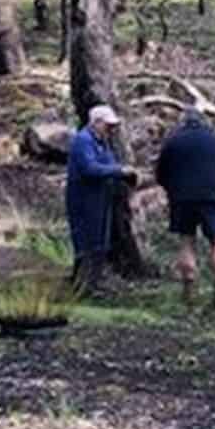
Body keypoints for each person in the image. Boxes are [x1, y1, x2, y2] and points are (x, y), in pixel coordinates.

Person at [154, 108, 215, 308]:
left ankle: (189, 291)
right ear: (204, 121)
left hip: (181, 199)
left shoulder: (173, 142)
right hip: (211, 198)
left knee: (186, 241)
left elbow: (160, 173)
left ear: (183, 122)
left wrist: (172, 190)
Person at [66, 104, 137, 295]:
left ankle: (93, 284)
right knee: (87, 243)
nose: (111, 129)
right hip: (84, 200)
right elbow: (89, 169)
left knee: (100, 243)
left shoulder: (101, 141)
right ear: (96, 122)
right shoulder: (83, 141)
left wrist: (122, 172)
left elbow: (109, 163)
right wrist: (118, 171)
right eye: (108, 125)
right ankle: (83, 287)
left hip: (100, 198)